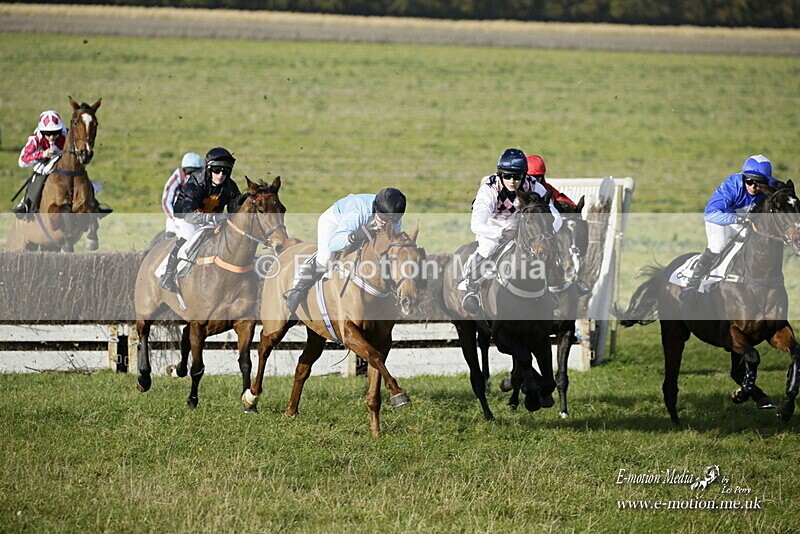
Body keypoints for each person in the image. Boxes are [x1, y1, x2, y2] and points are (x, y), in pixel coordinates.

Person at [460, 148, 563, 314]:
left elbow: (556, 217)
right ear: (500, 174)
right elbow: (477, 224)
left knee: (543, 250)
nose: (512, 181)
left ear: (524, 175)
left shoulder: (534, 185)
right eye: (507, 176)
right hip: (493, 224)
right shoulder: (490, 189)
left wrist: (545, 234)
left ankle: (548, 288)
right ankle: (471, 285)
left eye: (517, 176)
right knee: (488, 247)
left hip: (524, 225)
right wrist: (501, 232)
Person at [283, 187, 407, 314]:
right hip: (336, 221)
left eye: (390, 222)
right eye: (382, 219)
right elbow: (334, 243)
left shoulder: (394, 217)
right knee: (325, 259)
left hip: (361, 225)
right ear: (376, 210)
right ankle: (297, 288)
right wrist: (354, 236)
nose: (384, 224)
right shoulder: (359, 213)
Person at [684, 154, 781, 293]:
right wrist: (739, 219)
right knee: (718, 246)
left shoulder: (772, 186)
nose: (754, 187)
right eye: (749, 182)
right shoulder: (732, 186)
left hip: (743, 221)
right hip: (720, 219)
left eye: (759, 183)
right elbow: (710, 214)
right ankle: (692, 285)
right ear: (743, 178)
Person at [158, 147, 241, 293]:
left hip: (210, 220)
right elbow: (189, 213)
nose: (221, 175)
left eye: (225, 171)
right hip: (186, 217)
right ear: (209, 169)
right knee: (189, 236)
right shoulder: (196, 181)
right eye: (217, 170)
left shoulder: (231, 186)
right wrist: (213, 217)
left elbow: (236, 212)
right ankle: (168, 274)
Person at [526, 154, 591, 296]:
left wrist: (569, 208)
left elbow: (563, 200)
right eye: (532, 177)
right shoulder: (518, 190)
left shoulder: (546, 188)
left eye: (539, 177)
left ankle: (572, 277)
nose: (536, 181)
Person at [12, 110, 67, 215]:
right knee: (38, 177)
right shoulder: (35, 139)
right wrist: (42, 154)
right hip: (42, 168)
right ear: (42, 132)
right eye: (48, 134)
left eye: (55, 133)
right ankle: (26, 203)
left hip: (63, 165)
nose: (52, 137)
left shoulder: (66, 134)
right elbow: (22, 160)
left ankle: (92, 203)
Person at [161, 152, 203, 237]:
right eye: (189, 172)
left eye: (195, 172)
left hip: (197, 215)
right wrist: (175, 218)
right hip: (176, 215)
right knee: (171, 234)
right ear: (183, 170)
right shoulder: (177, 176)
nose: (191, 176)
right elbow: (166, 202)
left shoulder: (204, 178)